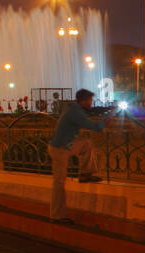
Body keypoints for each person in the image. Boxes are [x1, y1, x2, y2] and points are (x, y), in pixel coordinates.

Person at [48, 88, 113, 223]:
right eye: (90, 100)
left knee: (86, 144)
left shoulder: (73, 108)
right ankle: (56, 216)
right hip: (60, 150)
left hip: (66, 146)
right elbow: (93, 126)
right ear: (83, 101)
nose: (91, 103)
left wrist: (103, 111)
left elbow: (89, 113)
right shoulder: (75, 113)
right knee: (59, 183)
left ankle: (85, 174)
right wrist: (105, 122)